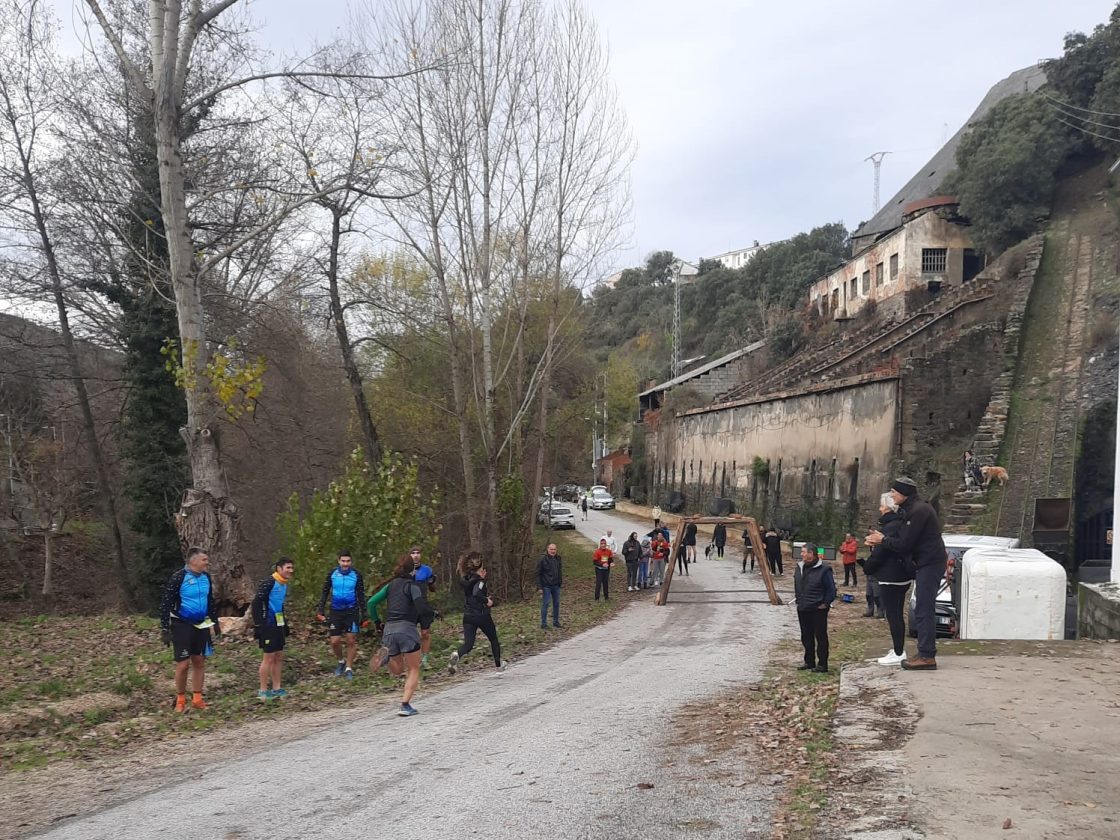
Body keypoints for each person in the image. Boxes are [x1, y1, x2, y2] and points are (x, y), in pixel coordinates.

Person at [866, 477, 945, 671]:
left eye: (894, 492)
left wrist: (882, 540)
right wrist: (881, 541)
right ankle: (925, 653)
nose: (891, 495)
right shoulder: (912, 510)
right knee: (922, 607)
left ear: (903, 493)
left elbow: (904, 544)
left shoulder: (918, 511)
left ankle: (927, 656)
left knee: (924, 608)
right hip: (926, 562)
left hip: (930, 563)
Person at [371, 554, 436, 716]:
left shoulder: (390, 586)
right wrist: (433, 613)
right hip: (407, 630)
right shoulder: (412, 586)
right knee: (414, 668)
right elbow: (421, 608)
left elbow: (370, 603)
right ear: (412, 570)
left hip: (389, 630)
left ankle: (384, 658)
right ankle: (405, 705)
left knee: (398, 670)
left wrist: (377, 622)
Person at [160, 546, 220, 713]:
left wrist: (215, 622)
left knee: (199, 660)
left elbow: (210, 600)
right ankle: (180, 699)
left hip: (201, 624)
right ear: (193, 561)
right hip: (181, 624)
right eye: (204, 560)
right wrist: (165, 628)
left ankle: (197, 698)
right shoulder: (179, 578)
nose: (207, 563)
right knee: (183, 664)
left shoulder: (206, 577)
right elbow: (165, 603)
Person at [864, 492, 912, 665]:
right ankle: (898, 648)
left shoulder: (890, 527)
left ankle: (899, 653)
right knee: (897, 614)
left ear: (888, 507)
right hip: (903, 576)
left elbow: (881, 553)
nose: (879, 508)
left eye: (881, 505)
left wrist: (867, 567)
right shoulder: (902, 523)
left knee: (894, 616)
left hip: (890, 577)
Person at [448, 552, 505, 673]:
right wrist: (487, 601)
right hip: (481, 615)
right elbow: (477, 593)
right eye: (483, 569)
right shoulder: (480, 581)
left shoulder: (466, 580)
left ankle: (457, 654)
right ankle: (498, 665)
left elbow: (472, 594)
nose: (485, 571)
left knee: (468, 644)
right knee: (493, 639)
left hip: (468, 616)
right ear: (480, 570)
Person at [316, 550, 367, 680]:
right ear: (338, 561)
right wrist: (320, 610)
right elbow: (325, 591)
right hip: (336, 611)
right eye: (343, 561)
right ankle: (340, 661)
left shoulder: (356, 575)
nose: (345, 564)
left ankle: (349, 668)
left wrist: (365, 614)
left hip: (352, 611)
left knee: (351, 640)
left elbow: (361, 595)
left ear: (351, 561)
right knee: (335, 641)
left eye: (348, 561)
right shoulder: (332, 574)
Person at [251, 557, 294, 701]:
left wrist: (285, 623)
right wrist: (258, 625)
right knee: (268, 657)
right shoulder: (269, 582)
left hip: (278, 623)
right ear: (279, 568)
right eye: (287, 568)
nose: (290, 571)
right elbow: (256, 603)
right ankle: (263, 690)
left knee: (279, 656)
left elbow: (280, 605)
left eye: (291, 568)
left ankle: (277, 688)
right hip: (267, 624)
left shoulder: (284, 584)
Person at [794, 542, 836, 673]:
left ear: (811, 554)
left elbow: (831, 589)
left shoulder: (824, 569)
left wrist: (825, 604)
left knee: (820, 636)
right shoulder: (799, 567)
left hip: (818, 608)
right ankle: (809, 661)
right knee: (806, 636)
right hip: (803, 607)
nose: (801, 554)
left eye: (804, 552)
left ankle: (822, 664)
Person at [538, 543, 563, 628]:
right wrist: (540, 587)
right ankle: (544, 623)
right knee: (546, 603)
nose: (553, 551)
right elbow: (538, 573)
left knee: (556, 603)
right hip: (546, 586)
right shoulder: (542, 559)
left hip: (556, 585)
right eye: (551, 549)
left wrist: (560, 582)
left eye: (554, 549)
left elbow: (559, 571)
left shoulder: (558, 558)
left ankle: (556, 622)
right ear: (547, 549)